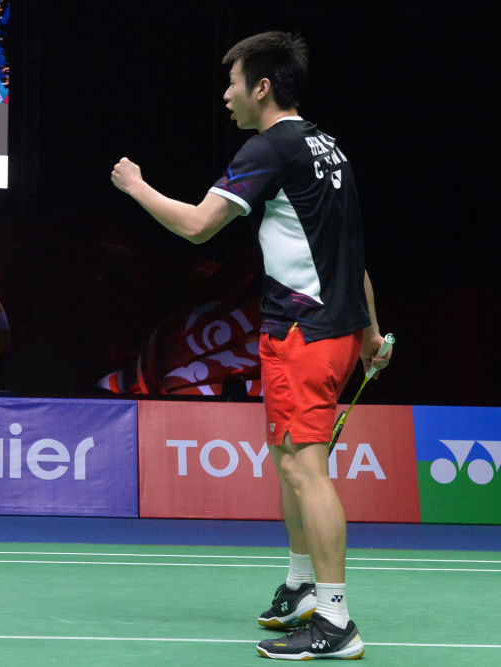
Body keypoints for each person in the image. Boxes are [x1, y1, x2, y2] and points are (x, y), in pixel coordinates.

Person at [111, 31, 391, 660]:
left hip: (304, 332)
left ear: (262, 87)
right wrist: (371, 330)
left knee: (305, 469)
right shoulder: (326, 146)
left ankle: (336, 621)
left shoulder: (270, 147)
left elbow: (197, 226)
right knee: (290, 461)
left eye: (233, 82)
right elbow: (349, 248)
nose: (226, 94)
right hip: (334, 327)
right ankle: (302, 586)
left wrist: (136, 186)